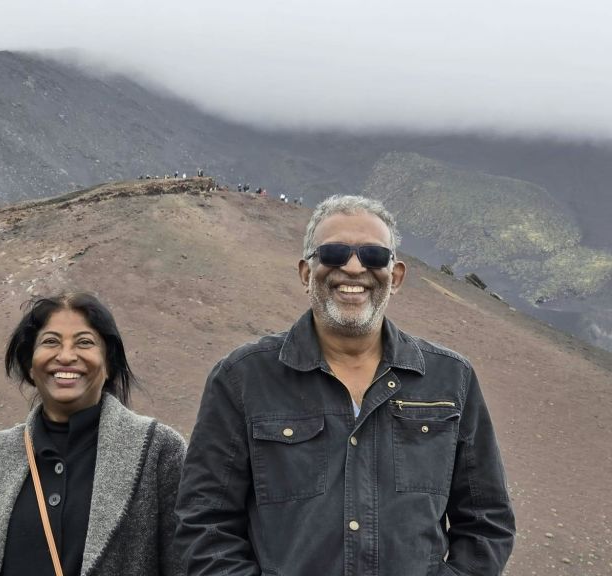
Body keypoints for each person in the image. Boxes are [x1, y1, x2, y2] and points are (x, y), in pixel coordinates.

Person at [175, 195, 515, 576]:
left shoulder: (451, 378)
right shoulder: (242, 378)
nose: (354, 268)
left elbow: (487, 522)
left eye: (373, 256)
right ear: (307, 272)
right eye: (334, 253)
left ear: (396, 275)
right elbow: (204, 525)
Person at [0, 292, 186, 576]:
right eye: (50, 342)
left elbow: (185, 565)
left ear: (108, 364)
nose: (66, 356)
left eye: (84, 342)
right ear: (30, 366)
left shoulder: (159, 452)